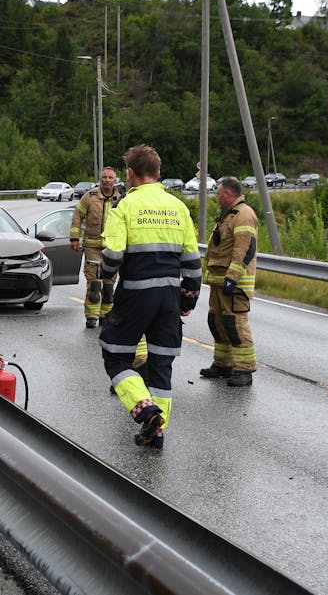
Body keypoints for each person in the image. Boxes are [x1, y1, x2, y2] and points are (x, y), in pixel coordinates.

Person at [99, 144, 202, 450]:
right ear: (158, 173)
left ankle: (145, 410)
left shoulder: (124, 207)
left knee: (115, 357)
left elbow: (113, 258)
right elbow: (194, 266)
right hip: (169, 299)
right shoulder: (179, 208)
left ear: (130, 174)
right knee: (161, 366)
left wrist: (103, 271)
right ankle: (155, 433)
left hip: (135, 296)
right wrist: (187, 301)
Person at [200, 176, 259, 387]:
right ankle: (223, 364)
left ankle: (244, 370)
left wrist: (232, 277)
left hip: (234, 284)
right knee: (217, 323)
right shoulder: (228, 215)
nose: (216, 197)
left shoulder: (243, 215)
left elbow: (244, 249)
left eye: (218, 193)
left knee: (235, 325)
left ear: (228, 193)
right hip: (219, 282)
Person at [70, 167, 122, 328]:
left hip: (112, 249)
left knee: (108, 286)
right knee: (94, 284)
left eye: (110, 177)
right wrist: (74, 237)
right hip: (92, 247)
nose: (107, 180)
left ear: (115, 180)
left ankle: (105, 315)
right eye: (104, 177)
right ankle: (91, 316)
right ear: (100, 179)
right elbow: (78, 214)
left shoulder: (121, 199)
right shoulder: (90, 197)